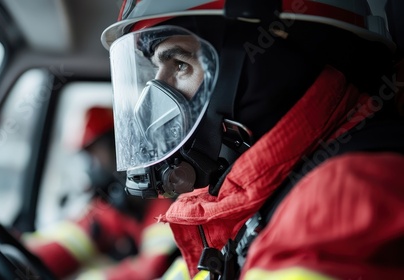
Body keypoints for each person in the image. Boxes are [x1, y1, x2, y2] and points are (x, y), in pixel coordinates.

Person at [100, 0, 404, 279]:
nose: (154, 103)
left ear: (267, 65)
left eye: (181, 65)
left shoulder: (347, 195)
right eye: (156, 70)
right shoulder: (244, 198)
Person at [23, 106, 178, 279]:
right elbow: (64, 245)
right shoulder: (112, 204)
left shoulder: (166, 204)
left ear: (119, 147)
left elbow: (151, 269)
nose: (91, 165)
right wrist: (19, 256)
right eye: (86, 156)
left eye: (95, 152)